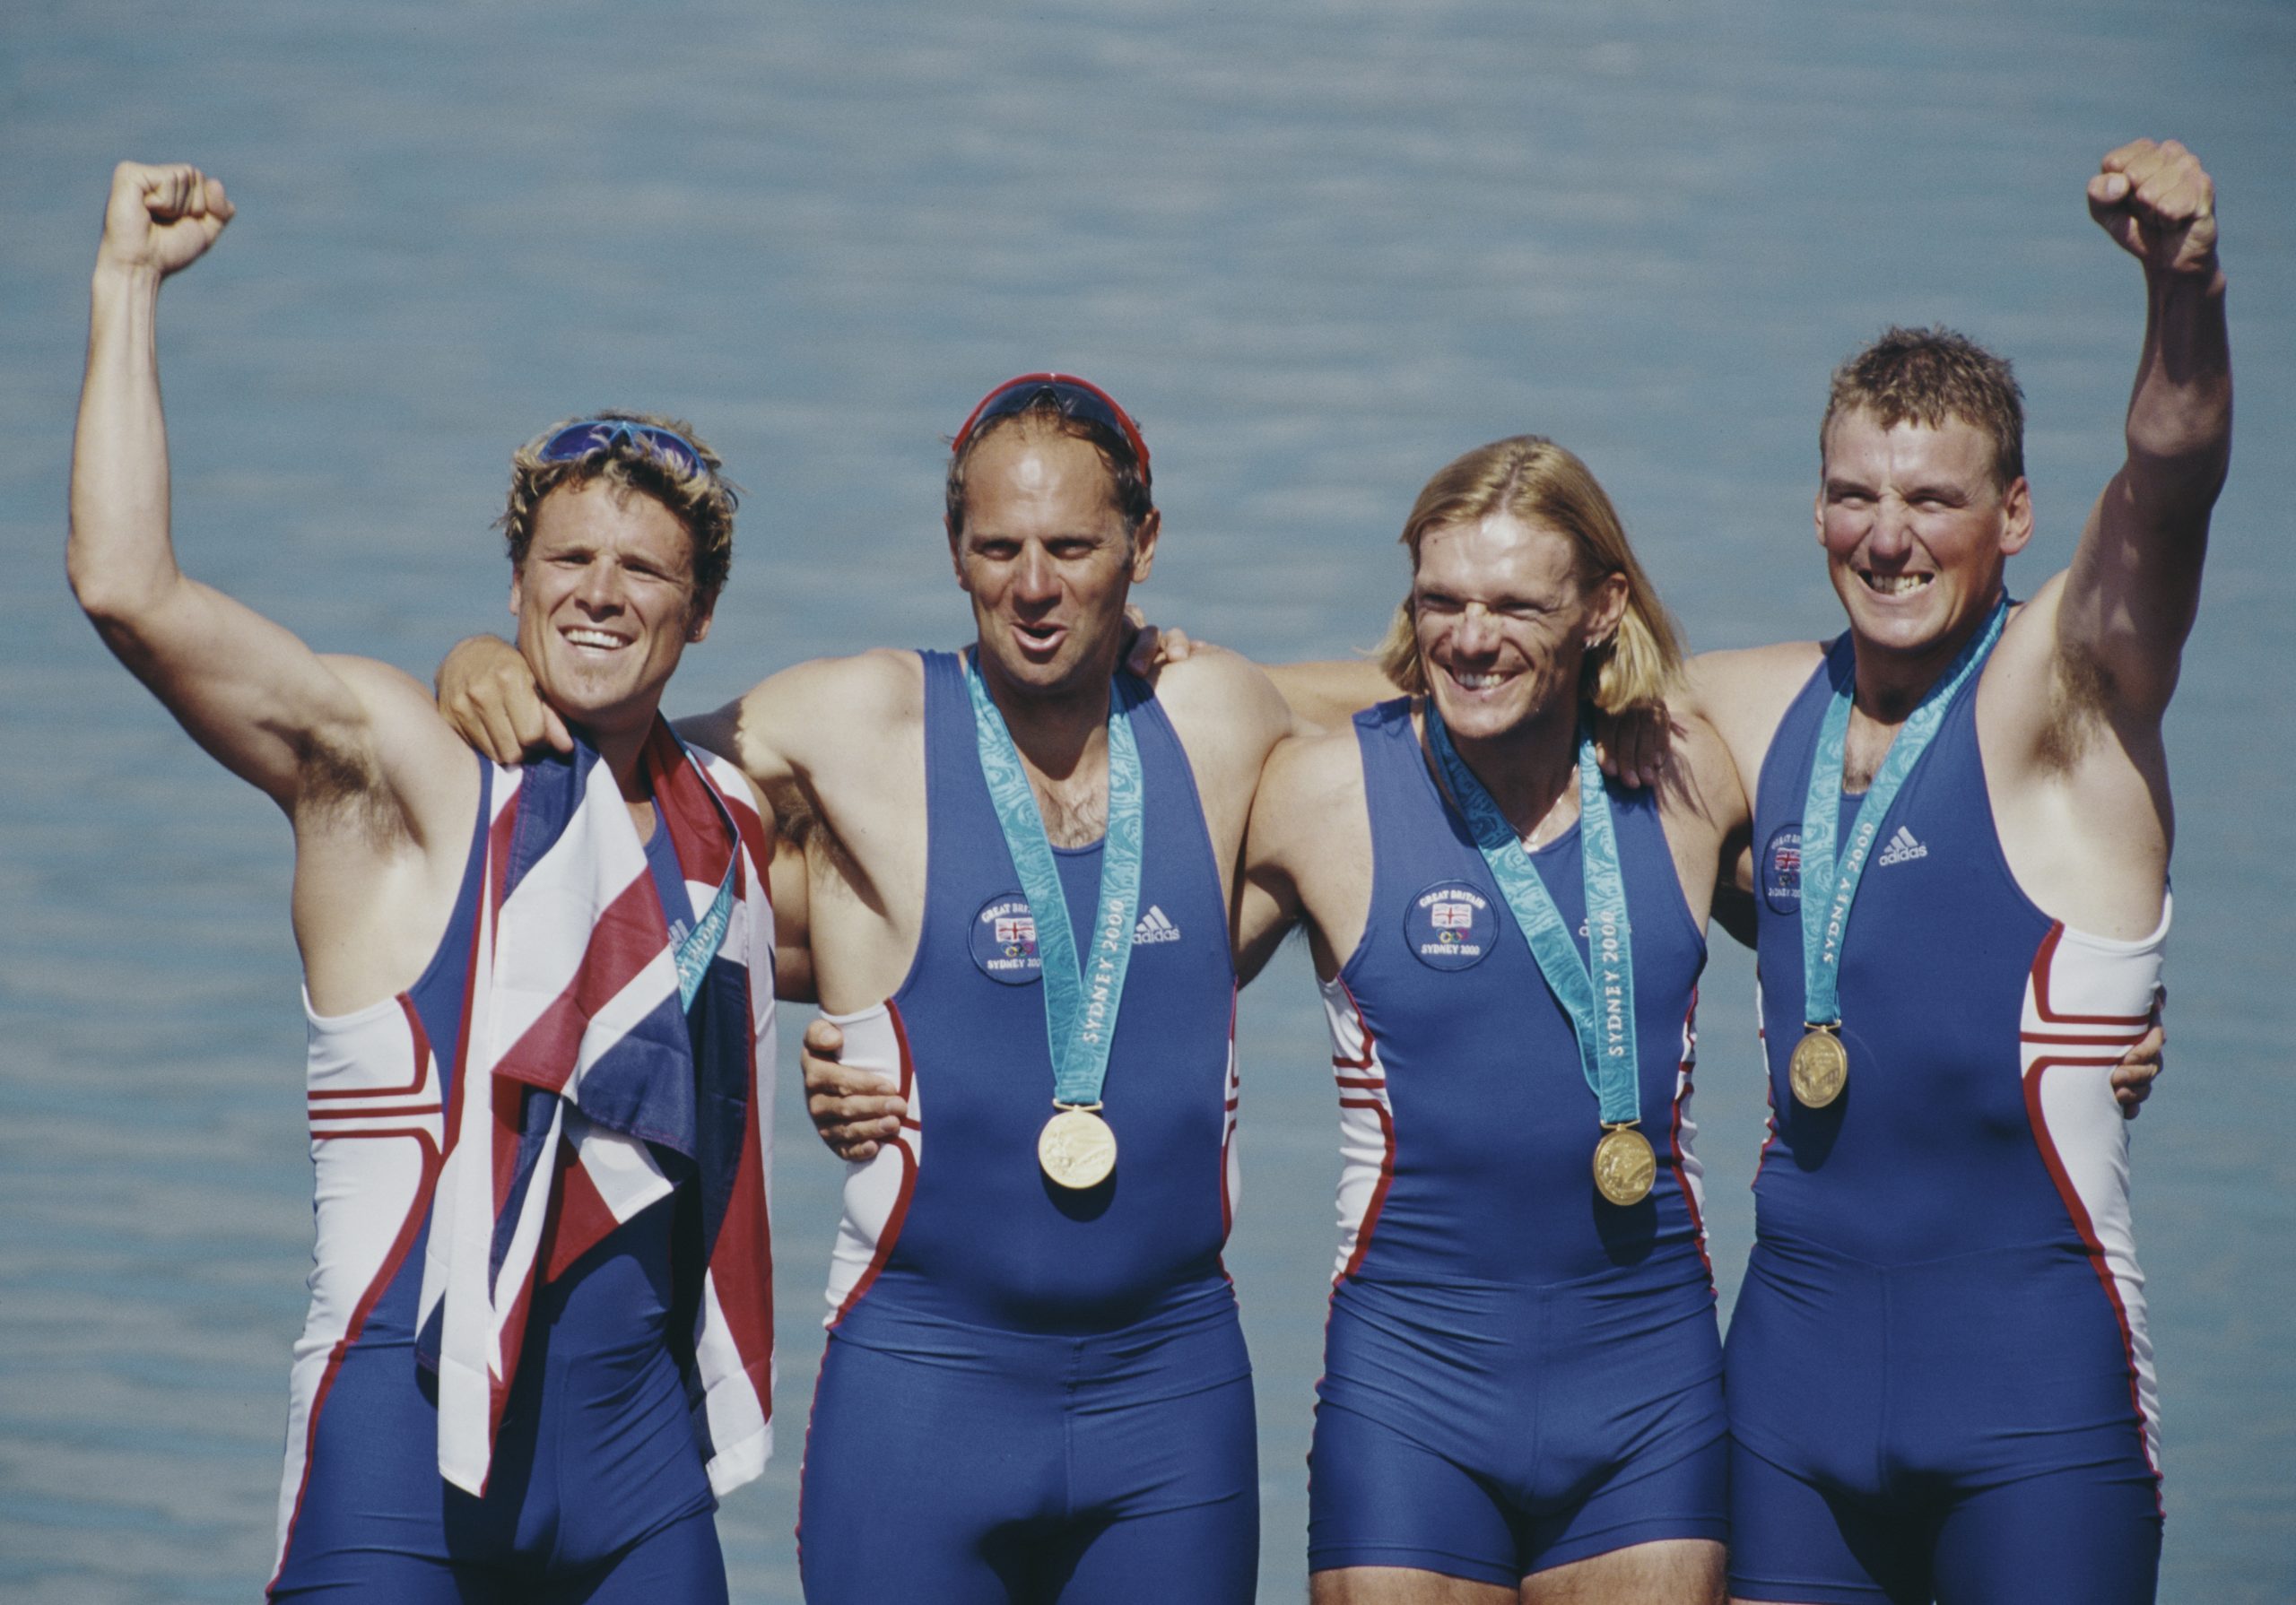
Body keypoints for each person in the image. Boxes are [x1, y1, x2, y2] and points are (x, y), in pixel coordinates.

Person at [437, 374, 1302, 1603]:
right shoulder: (858, 719)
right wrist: (482, 657)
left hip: (1172, 1399)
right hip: (922, 1389)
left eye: (1071, 547)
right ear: (955, 551)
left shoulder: (1217, 710)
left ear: (1143, 546)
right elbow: (627, 758)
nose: (1035, 586)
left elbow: (1435, 691)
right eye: (998, 548)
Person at [67, 163, 786, 1603]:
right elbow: (129, 591)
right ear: (514, 580)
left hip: (637, 1468)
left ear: (701, 612)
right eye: (567, 557)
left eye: (644, 569)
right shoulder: (403, 771)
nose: (600, 591)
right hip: (399, 1449)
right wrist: (127, 289)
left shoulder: (732, 818)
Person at [1657, 138, 2227, 1605]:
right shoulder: (1754, 702)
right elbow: (1508, 669)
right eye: (1854, 495)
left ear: (2016, 517)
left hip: (2034, 1408)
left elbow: (2169, 474)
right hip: (1788, 1397)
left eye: (1931, 501)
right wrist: (1196, 680)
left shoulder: (2073, 689)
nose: (1886, 537)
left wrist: (2183, 285)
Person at [1231, 438, 1744, 1603]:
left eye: (1516, 602)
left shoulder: (1688, 777)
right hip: (1412, 1393)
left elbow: (1867, 948)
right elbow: (1146, 995)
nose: (1470, 636)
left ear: (1604, 605)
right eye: (1442, 600)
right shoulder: (1323, 794)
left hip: (1648, 1389)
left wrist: (2108, 1014)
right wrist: (865, 1039)